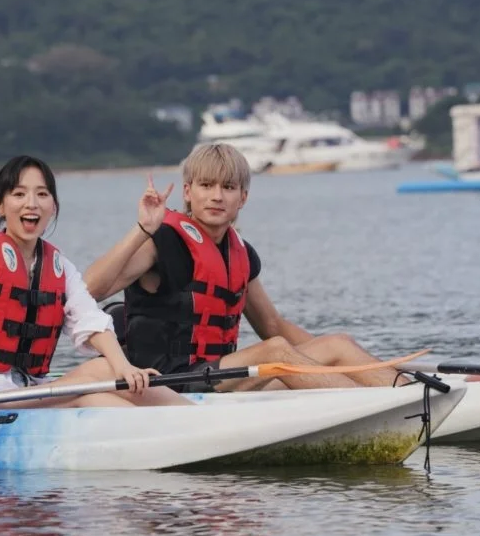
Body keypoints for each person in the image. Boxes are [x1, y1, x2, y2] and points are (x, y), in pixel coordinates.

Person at [84, 142, 406, 393]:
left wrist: (330, 358)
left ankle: (413, 395)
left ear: (243, 198)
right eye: (206, 186)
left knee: (338, 344)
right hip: (169, 381)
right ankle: (372, 408)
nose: (217, 196)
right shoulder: (161, 241)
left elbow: (273, 326)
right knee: (275, 352)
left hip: (219, 378)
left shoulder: (240, 254)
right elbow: (89, 290)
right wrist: (142, 229)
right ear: (188, 192)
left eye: (228, 187)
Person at [0, 155, 194, 410]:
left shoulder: (60, 268)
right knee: (95, 382)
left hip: (31, 390)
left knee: (101, 383)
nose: (31, 203)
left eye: (42, 194)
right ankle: (188, 421)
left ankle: (187, 421)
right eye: (19, 194)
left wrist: (125, 368)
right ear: (0, 205)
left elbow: (90, 320)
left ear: (53, 207)